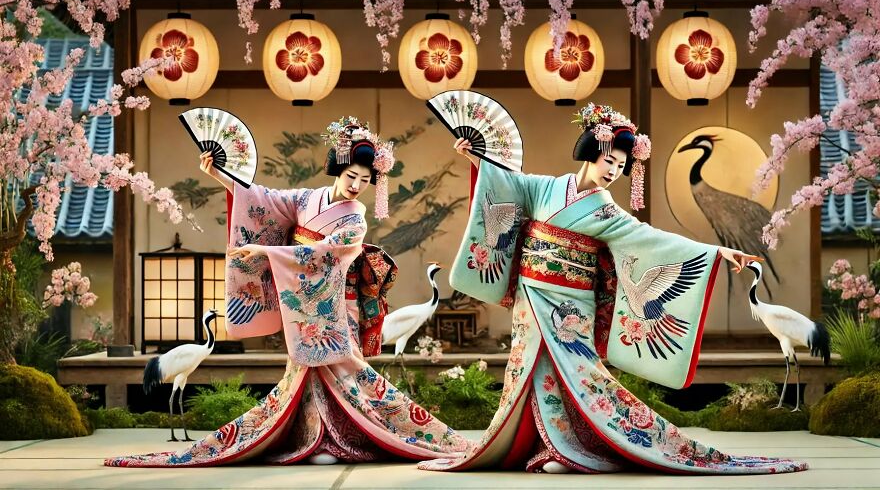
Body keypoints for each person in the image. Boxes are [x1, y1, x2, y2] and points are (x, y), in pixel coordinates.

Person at [418, 104, 807, 474]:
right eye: (610, 161)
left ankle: (572, 448)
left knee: (576, 374)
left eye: (622, 167)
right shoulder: (544, 188)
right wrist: (477, 157)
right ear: (592, 154)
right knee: (528, 371)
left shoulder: (607, 212)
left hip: (571, 306)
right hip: (530, 296)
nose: (614, 171)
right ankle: (540, 445)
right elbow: (506, 182)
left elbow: (653, 238)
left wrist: (716, 250)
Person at [106, 117, 471, 467]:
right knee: (304, 373)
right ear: (338, 172)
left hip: (334, 301)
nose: (356, 185)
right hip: (305, 300)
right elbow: (262, 200)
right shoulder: (305, 199)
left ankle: (342, 438)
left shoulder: (355, 219)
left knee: (339, 368)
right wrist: (219, 174)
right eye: (351, 176)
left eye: (363, 180)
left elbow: (326, 253)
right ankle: (314, 436)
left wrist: (269, 252)